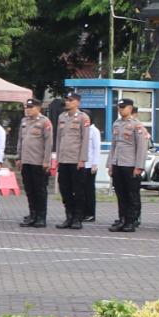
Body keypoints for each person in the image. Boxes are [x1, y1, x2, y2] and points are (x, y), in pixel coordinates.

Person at [53, 92, 95, 229]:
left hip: (76, 160)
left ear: (77, 102)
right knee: (65, 190)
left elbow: (85, 139)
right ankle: (69, 216)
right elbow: (59, 139)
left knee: (78, 191)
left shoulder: (83, 117)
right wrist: (58, 157)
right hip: (64, 159)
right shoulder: (62, 117)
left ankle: (77, 218)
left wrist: (82, 159)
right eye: (66, 100)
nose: (67, 102)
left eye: (70, 100)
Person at [107, 99, 149, 232]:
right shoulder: (116, 123)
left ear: (130, 108)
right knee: (120, 194)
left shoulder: (137, 125)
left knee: (131, 195)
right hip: (118, 163)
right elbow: (114, 145)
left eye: (123, 107)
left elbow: (142, 147)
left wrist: (139, 166)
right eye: (119, 107)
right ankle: (122, 219)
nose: (120, 109)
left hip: (130, 165)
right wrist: (110, 164)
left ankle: (131, 221)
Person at [14, 97, 55, 228]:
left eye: (31, 107)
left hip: (38, 162)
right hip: (26, 161)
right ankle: (32, 215)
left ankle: (41, 217)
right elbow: (20, 140)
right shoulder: (24, 121)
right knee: (29, 190)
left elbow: (48, 143)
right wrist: (19, 157)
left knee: (40, 191)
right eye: (27, 107)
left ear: (38, 108)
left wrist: (46, 161)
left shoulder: (45, 122)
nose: (28, 110)